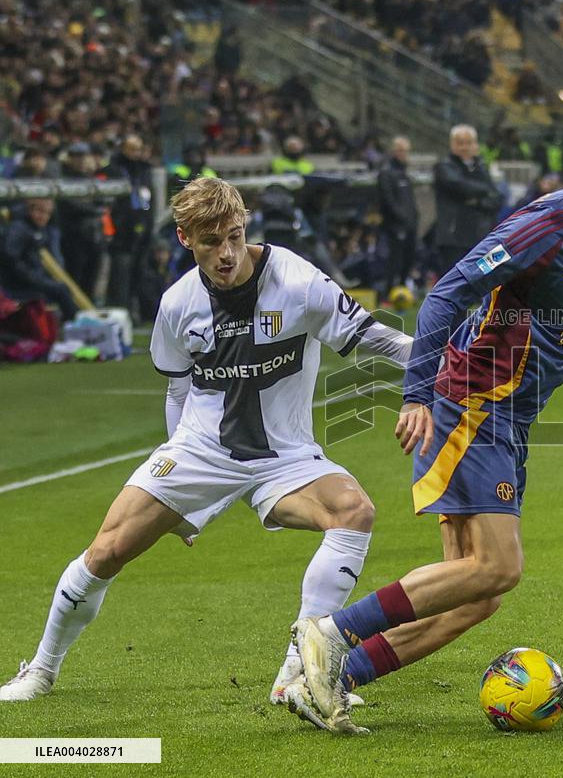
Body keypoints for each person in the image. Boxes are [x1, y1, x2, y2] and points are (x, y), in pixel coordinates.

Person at [289, 118, 563, 734]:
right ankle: (331, 633)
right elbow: (445, 296)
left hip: (510, 417)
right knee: (499, 568)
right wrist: (416, 397)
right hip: (473, 402)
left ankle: (327, 680)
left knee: (477, 594)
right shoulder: (543, 228)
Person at [0, 179, 411, 732]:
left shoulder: (298, 281)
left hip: (285, 456)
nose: (226, 252)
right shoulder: (177, 304)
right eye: (211, 240)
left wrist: (445, 359)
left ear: (246, 229)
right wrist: (180, 488)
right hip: (199, 449)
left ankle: (300, 672)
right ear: (185, 239)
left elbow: (373, 337)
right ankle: (41, 669)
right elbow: (177, 387)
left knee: (354, 511)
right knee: (106, 551)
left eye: (235, 236)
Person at [432, 124, 502, 275]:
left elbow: (496, 200)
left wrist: (476, 201)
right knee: (453, 284)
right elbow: (459, 186)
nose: (464, 147)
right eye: (460, 142)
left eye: (469, 142)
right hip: (453, 238)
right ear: (452, 144)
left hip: (479, 237)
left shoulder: (482, 168)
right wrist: (484, 191)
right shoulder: (444, 167)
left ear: (476, 145)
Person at [99, 134, 154, 312]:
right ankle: (119, 309)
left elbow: (148, 196)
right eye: (131, 148)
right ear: (123, 148)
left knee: (139, 272)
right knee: (120, 273)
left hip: (142, 227)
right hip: (120, 230)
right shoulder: (113, 169)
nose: (135, 152)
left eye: (137, 148)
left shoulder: (144, 170)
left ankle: (135, 311)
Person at [0, 198, 77, 320]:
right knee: (61, 291)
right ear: (31, 210)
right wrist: (34, 278)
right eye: (41, 212)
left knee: (62, 290)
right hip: (20, 285)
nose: (44, 217)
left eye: (47, 214)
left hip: (32, 279)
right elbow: (11, 261)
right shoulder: (18, 229)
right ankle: (74, 326)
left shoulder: (34, 229)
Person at [58, 142, 106, 298]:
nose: (80, 160)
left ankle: (88, 312)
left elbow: (104, 201)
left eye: (83, 156)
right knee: (74, 276)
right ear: (70, 158)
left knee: (91, 276)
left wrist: (90, 206)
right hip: (73, 235)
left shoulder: (90, 178)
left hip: (94, 234)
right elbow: (69, 205)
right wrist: (91, 208)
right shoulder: (63, 178)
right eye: (76, 156)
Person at [376, 136, 419, 291]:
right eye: (400, 150)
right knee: (394, 259)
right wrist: (399, 217)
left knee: (408, 258)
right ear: (393, 151)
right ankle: (388, 291)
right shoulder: (387, 172)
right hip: (394, 225)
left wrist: (414, 218)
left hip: (409, 225)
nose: (403, 154)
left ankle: (401, 289)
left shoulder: (404, 173)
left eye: (405, 151)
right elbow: (387, 200)